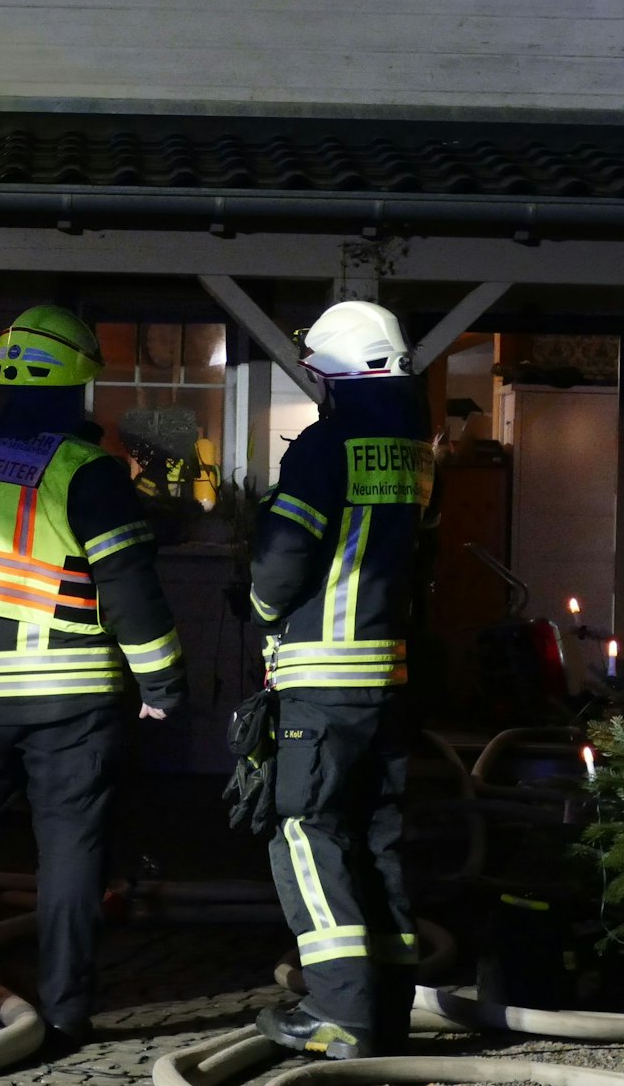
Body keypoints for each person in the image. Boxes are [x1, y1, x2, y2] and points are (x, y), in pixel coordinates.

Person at [0, 305, 188, 1054]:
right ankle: (64, 1014)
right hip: (72, 694)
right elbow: (130, 588)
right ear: (77, 379)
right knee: (67, 849)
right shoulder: (85, 472)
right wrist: (163, 686)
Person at [247, 300, 436, 1060]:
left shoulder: (326, 446)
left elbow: (282, 559)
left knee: (306, 828)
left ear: (338, 374)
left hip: (322, 677)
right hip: (387, 675)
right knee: (377, 835)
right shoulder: (416, 447)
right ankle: (384, 1012)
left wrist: (261, 605)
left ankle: (338, 1013)